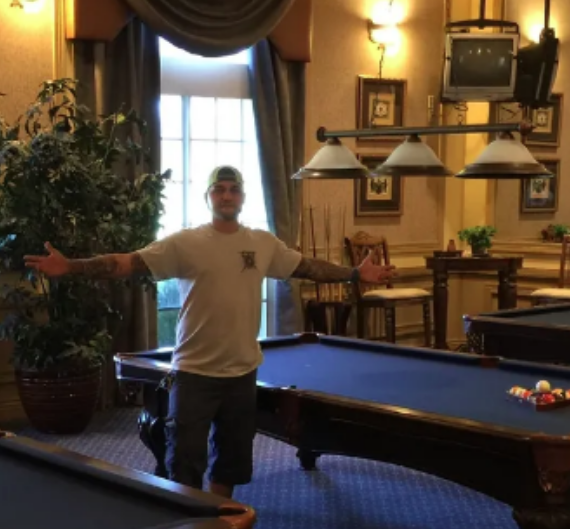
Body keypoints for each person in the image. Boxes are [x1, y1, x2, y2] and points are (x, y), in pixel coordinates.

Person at [25, 165, 394, 498]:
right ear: (208, 197)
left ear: (243, 197)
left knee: (230, 462)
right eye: (219, 189)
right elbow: (126, 263)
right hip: (193, 373)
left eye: (233, 189)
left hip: (241, 373)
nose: (227, 195)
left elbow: (306, 266)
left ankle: (218, 526)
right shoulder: (185, 242)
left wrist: (355, 274)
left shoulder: (262, 243)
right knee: (183, 462)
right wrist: (70, 267)